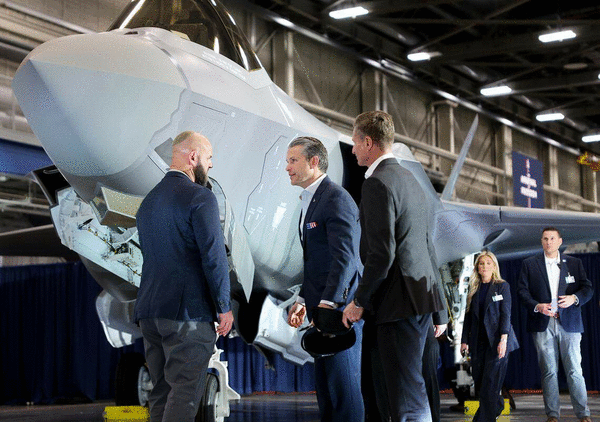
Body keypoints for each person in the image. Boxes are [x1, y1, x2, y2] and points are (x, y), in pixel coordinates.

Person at [342, 110, 445, 422]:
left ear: (368, 143)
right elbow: (427, 246)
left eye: (355, 142)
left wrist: (359, 301)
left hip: (396, 302)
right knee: (408, 389)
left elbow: (382, 254)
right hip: (419, 299)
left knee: (404, 397)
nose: (353, 149)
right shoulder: (411, 180)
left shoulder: (377, 183)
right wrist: (440, 310)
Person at [134, 130, 233, 422]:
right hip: (187, 315)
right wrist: (224, 306)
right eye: (209, 157)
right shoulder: (201, 197)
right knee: (184, 395)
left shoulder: (148, 202)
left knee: (161, 392)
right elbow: (213, 256)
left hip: (150, 313)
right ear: (193, 157)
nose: (211, 164)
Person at [285, 136, 364, 422]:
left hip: (338, 312)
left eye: (293, 160)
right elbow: (316, 262)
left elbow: (345, 258)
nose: (287, 167)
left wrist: (329, 304)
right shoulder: (312, 200)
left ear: (314, 162)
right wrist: (302, 300)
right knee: (328, 393)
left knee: (344, 393)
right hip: (321, 311)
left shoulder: (335, 198)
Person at [517, 227, 593, 422]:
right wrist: (537, 306)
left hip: (570, 324)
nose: (548, 242)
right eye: (545, 238)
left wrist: (574, 298)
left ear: (560, 241)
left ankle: (583, 414)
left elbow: (587, 288)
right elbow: (522, 292)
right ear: (541, 241)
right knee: (549, 371)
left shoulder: (574, 263)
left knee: (575, 370)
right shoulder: (529, 264)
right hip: (543, 323)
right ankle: (552, 415)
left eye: (552, 238)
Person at [460, 251, 519, 422]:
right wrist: (464, 341)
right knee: (481, 383)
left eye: (488, 263)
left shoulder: (502, 286)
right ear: (477, 267)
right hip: (478, 343)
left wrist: (503, 339)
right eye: (481, 263)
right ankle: (497, 404)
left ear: (494, 267)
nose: (484, 266)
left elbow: (506, 315)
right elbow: (468, 317)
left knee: (490, 383)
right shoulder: (473, 288)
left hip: (497, 342)